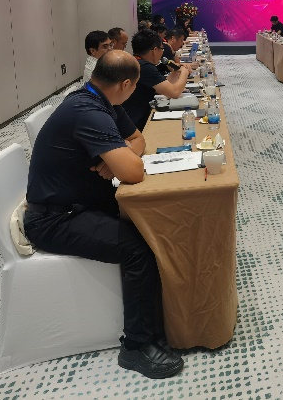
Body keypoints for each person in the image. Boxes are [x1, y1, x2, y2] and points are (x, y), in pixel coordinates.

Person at [23, 51, 183, 379]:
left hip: (81, 203)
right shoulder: (87, 111)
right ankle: (136, 346)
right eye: (135, 85)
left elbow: (138, 139)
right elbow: (134, 172)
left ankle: (157, 316)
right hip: (54, 219)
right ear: (125, 84)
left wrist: (117, 158)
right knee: (138, 247)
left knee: (149, 226)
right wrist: (121, 160)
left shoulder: (99, 98)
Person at [122, 30, 192, 130]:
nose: (162, 52)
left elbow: (161, 89)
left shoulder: (137, 62)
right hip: (137, 123)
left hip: (136, 117)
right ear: (154, 50)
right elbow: (174, 92)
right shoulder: (145, 67)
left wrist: (175, 72)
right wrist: (185, 72)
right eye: (162, 49)